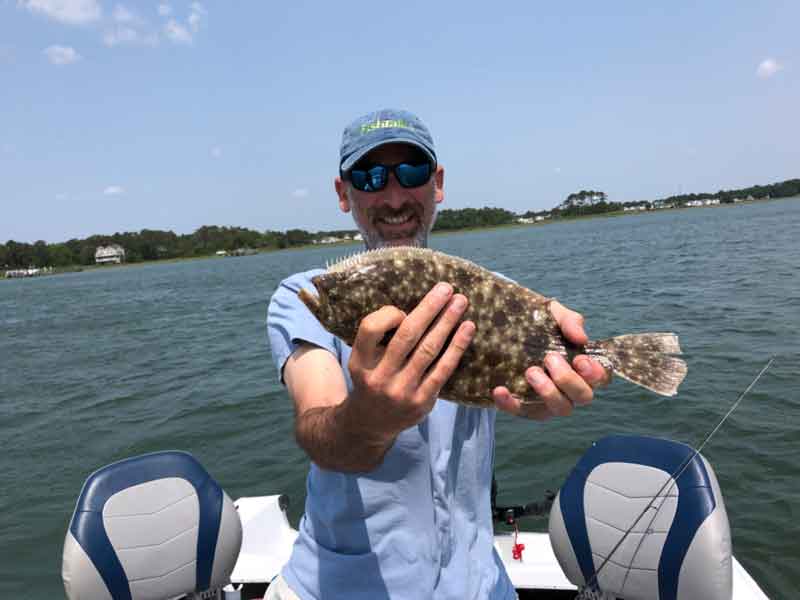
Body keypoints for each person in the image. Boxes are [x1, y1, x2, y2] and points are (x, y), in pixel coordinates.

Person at [266, 108, 608, 600]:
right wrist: (367, 421)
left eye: (411, 172)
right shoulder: (301, 298)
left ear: (437, 183)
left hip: (480, 584)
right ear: (344, 194)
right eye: (369, 177)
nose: (393, 197)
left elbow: (520, 394)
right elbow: (318, 424)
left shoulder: (490, 292)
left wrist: (546, 396)